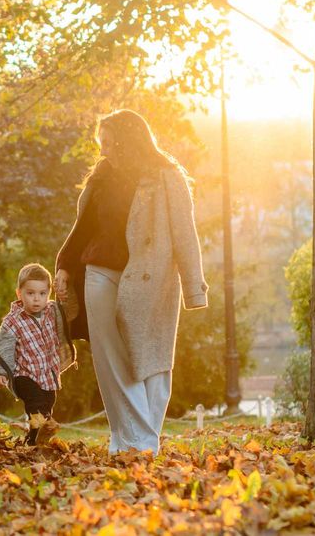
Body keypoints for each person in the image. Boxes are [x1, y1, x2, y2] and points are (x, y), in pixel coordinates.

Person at [55, 109, 208, 454]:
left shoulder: (167, 175)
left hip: (150, 279)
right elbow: (82, 228)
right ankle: (137, 443)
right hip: (99, 272)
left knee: (153, 359)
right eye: (101, 144)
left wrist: (194, 287)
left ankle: (134, 441)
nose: (103, 151)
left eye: (108, 143)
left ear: (127, 140)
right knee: (111, 358)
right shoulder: (101, 176)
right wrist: (65, 265)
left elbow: (186, 233)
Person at [0, 263, 76, 445]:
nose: (36, 299)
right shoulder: (12, 321)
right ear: (19, 294)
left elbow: (71, 310)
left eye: (42, 293)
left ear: (49, 294)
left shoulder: (53, 311)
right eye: (30, 293)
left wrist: (66, 289)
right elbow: (3, 347)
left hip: (47, 374)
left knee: (46, 406)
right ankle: (37, 438)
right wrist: (0, 372)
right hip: (25, 374)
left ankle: (33, 441)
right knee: (36, 405)